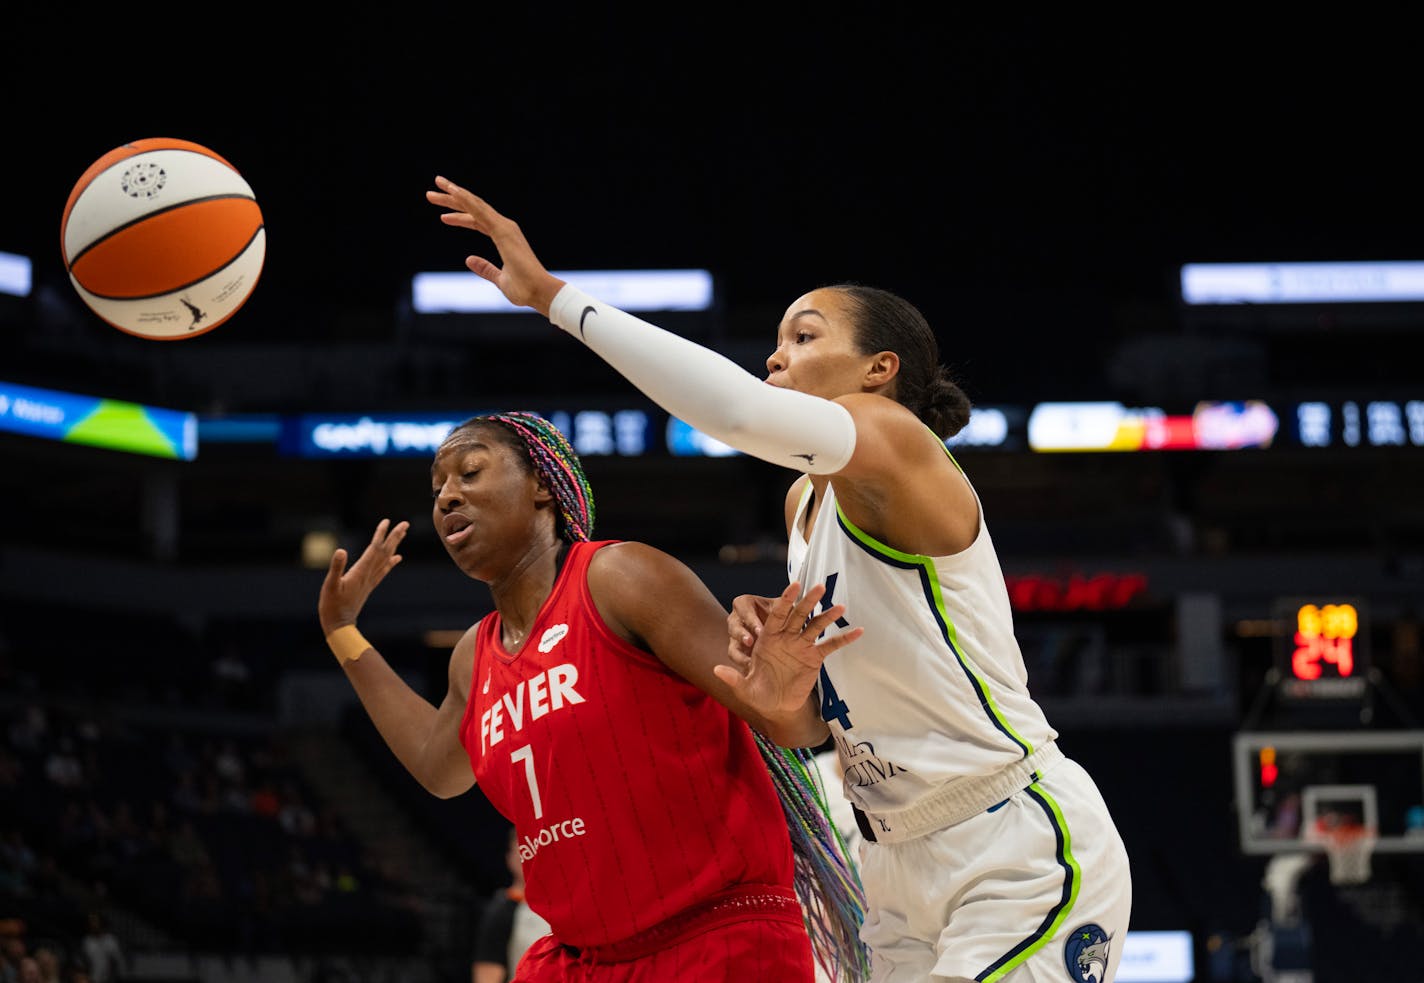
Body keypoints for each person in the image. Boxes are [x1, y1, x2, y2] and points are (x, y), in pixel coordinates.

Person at [425, 176, 1134, 983]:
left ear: (879, 369)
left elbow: (733, 415)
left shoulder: (898, 444)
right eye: (777, 338)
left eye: (803, 336)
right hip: (893, 861)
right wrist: (776, 681)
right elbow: (806, 733)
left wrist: (554, 298)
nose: (775, 355)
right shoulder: (806, 504)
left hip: (1008, 839)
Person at [317, 411, 866, 982]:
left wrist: (780, 698)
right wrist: (342, 632)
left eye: (470, 472)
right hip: (582, 960)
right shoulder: (472, 658)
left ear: (542, 488)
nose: (448, 496)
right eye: (438, 489)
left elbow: (796, 728)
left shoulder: (621, 577)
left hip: (713, 939)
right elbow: (439, 768)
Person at [472, 827, 551, 983]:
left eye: (537, 849)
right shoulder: (502, 911)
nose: (530, 858)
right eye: (523, 851)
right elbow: (487, 976)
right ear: (509, 859)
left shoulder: (564, 908)